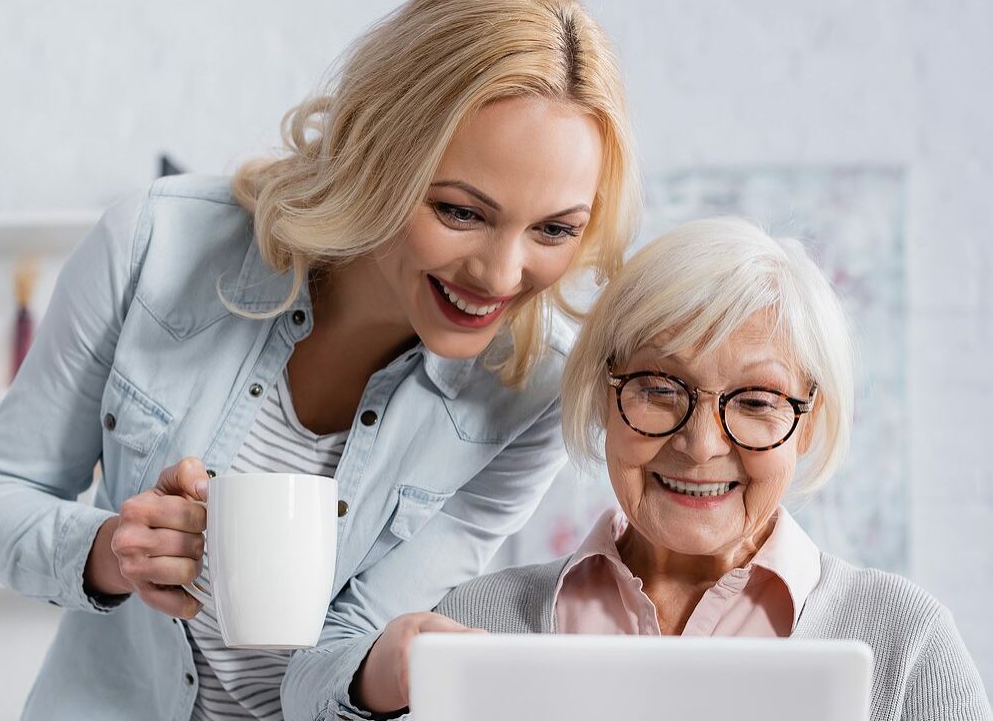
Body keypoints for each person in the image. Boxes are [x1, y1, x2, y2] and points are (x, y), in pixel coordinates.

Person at [0, 0, 639, 719]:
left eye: (556, 229)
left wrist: (392, 665)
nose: (501, 274)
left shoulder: (530, 394)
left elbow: (347, 642)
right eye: (459, 210)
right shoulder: (154, 244)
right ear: (377, 151)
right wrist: (113, 548)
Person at [357, 218, 992, 721]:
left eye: (756, 402)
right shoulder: (479, 621)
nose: (700, 444)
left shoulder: (906, 643)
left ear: (810, 419)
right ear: (606, 395)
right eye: (660, 388)